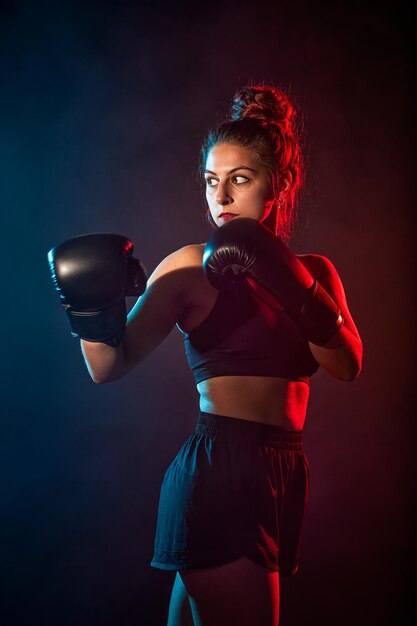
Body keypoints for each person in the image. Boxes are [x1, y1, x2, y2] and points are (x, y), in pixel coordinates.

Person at [47, 85, 363, 626]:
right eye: (213, 182)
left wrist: (297, 289)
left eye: (239, 180)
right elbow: (107, 367)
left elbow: (347, 364)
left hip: (282, 470)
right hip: (220, 472)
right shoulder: (189, 268)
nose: (222, 196)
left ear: (278, 184)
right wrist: (91, 310)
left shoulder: (316, 268)